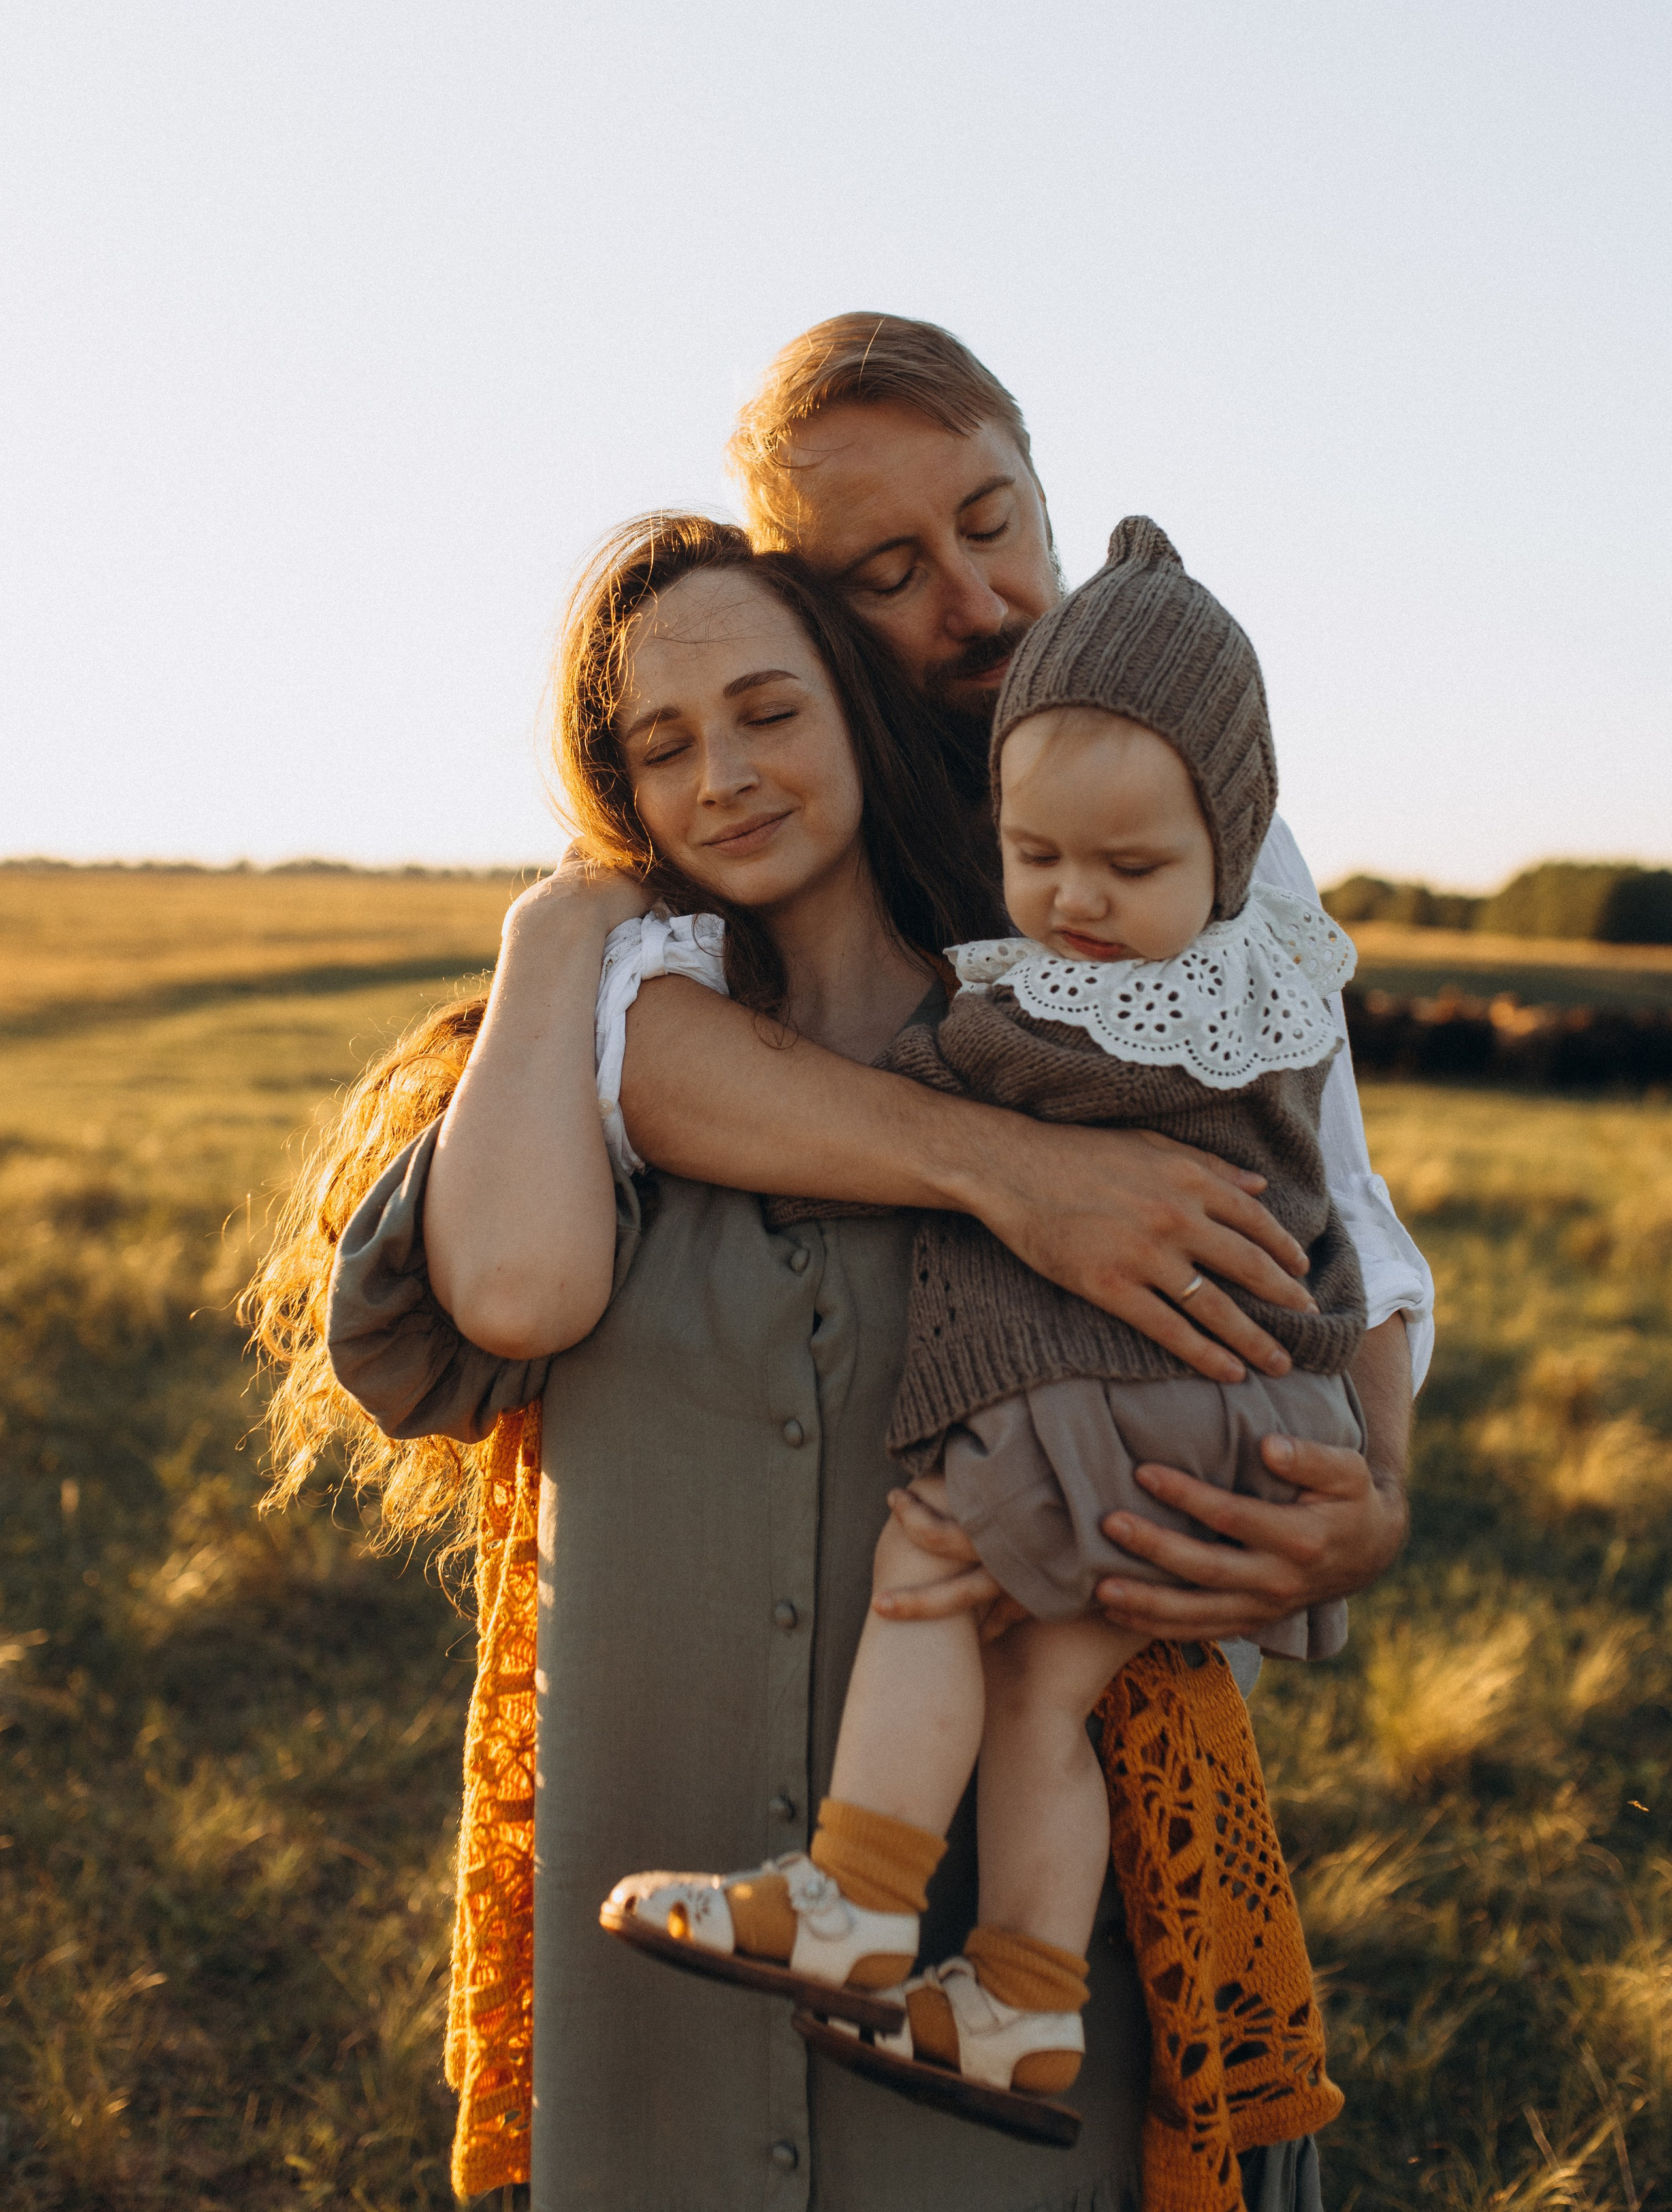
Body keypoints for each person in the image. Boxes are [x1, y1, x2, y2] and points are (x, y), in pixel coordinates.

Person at [253, 513, 1347, 2211]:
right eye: (661, 747)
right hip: (655, 2021)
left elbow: (1300, 1320)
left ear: (853, 700)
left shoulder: (1082, 1052)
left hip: (980, 2036)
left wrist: (1350, 1498)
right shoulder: (590, 1068)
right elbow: (523, 1291)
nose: (726, 776)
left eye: (769, 709)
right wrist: (560, 929)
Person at [605, 517, 1369, 2134]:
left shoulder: (1097, 1017)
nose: (1078, 906)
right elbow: (1337, 1237)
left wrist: (885, 1079)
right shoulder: (1258, 990)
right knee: (1039, 1697)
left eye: (1132, 871)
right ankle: (1021, 1996)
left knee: (926, 1579)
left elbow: (933, 1082)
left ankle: (856, 1889)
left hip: (1127, 1408)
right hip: (1237, 1417)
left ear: (1228, 854)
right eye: (1041, 864)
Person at [600, 313, 1431, 1676]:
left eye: (992, 522)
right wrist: (1012, 1171)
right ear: (809, 609)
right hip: (826, 1604)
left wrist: (1376, 1492)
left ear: (1042, 494)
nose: (977, 600)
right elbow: (643, 1050)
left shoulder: (1213, 826)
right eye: (889, 572)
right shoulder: (760, 805)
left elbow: (1338, 1188)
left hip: (1143, 1572)